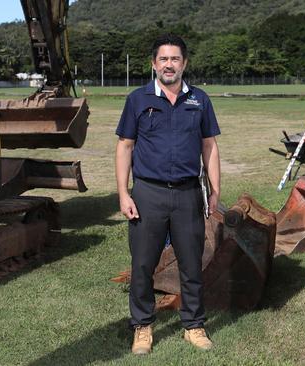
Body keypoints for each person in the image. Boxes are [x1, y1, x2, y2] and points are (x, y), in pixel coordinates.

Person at [115, 33, 221, 355]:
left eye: (175, 59)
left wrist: (215, 190)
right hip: (148, 194)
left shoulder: (199, 100)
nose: (169, 64)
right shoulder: (138, 100)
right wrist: (123, 193)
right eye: (164, 59)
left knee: (191, 264)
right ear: (154, 64)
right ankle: (143, 327)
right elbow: (125, 146)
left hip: (188, 194)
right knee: (143, 264)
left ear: (184, 63)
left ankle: (193, 325)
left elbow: (209, 146)